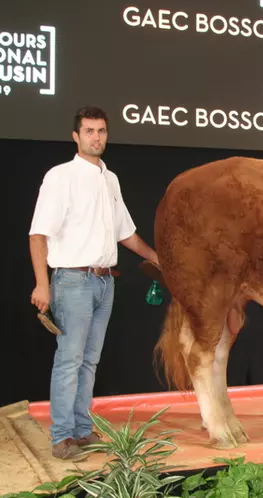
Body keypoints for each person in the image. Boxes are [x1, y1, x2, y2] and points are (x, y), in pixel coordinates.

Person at [28, 106, 159, 460]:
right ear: (76, 136)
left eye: (101, 131)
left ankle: (83, 432)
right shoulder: (60, 176)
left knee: (89, 361)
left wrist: (156, 258)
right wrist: (43, 285)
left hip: (104, 283)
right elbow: (38, 234)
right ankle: (62, 437)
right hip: (71, 280)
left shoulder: (109, 179)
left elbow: (125, 233)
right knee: (69, 360)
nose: (96, 137)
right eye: (89, 131)